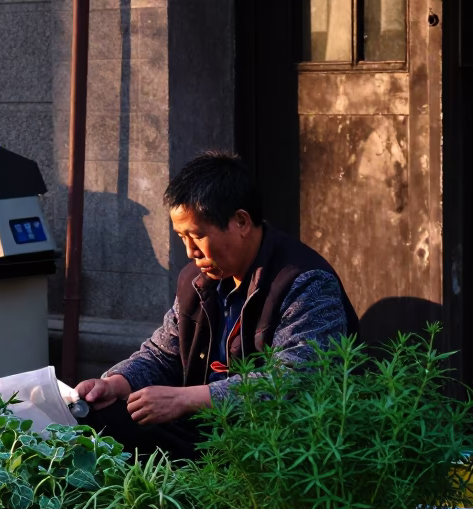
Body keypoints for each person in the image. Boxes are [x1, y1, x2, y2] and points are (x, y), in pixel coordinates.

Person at [73, 151, 359, 460]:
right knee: (97, 417)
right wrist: (117, 383)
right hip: (205, 433)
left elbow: (296, 381)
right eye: (181, 237)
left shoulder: (304, 281)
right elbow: (162, 354)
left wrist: (189, 399)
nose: (190, 252)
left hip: (274, 447)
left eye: (197, 236)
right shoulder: (195, 281)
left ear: (241, 221)